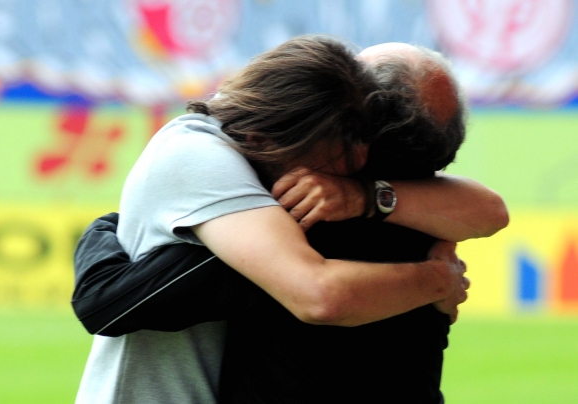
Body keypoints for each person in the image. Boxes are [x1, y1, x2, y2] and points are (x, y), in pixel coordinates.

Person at [73, 37, 507, 404]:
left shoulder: (299, 210)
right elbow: (490, 212)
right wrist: (436, 278)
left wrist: (103, 231)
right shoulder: (411, 210)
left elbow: (108, 302)